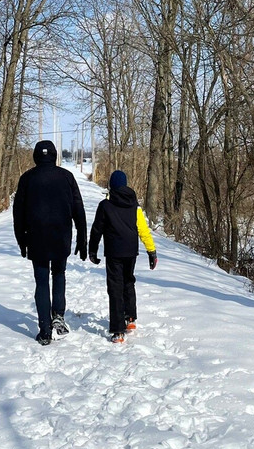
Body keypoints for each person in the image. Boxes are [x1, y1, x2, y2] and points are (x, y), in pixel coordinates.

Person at [13, 139, 88, 346]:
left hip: (36, 239)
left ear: (36, 157)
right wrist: (82, 238)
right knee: (59, 274)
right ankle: (58, 316)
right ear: (54, 156)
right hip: (60, 237)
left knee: (41, 280)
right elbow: (78, 209)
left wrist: (21, 240)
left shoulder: (27, 178)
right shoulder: (66, 177)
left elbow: (17, 213)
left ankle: (45, 330)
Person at [86, 169, 157, 343]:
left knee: (115, 288)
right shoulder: (134, 205)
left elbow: (97, 230)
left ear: (111, 185)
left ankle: (118, 330)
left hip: (114, 253)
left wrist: (92, 250)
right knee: (128, 282)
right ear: (125, 184)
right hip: (131, 251)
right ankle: (130, 318)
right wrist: (151, 251)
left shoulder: (105, 205)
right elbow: (143, 230)